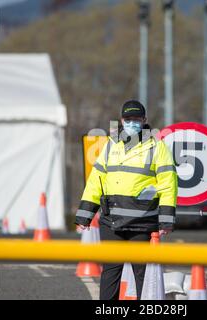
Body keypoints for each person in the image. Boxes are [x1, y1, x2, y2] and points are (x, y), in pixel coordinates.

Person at [75, 100, 178, 300]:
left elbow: (168, 185)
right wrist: (85, 215)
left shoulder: (157, 146)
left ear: (144, 120)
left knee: (142, 275)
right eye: (128, 119)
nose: (132, 123)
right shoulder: (111, 144)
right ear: (122, 120)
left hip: (142, 222)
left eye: (136, 119)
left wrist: (166, 220)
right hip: (111, 221)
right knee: (110, 273)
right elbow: (96, 180)